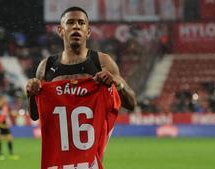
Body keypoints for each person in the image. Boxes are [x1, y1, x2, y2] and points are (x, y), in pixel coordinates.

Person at [26, 6, 137, 168]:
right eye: (70, 22)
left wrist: (116, 83)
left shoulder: (102, 62)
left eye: (81, 23)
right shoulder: (46, 66)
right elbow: (35, 115)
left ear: (88, 31)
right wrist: (30, 94)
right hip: (59, 162)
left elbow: (131, 103)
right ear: (60, 30)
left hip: (89, 162)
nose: (76, 26)